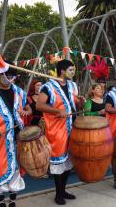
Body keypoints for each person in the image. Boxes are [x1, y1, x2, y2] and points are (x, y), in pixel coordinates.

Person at [37, 59, 85, 205]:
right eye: (70, 70)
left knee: (68, 162)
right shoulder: (48, 87)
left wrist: (81, 102)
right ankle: (58, 194)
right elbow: (39, 105)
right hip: (56, 129)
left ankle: (63, 190)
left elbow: (76, 104)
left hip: (72, 127)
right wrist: (57, 110)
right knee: (58, 163)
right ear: (62, 71)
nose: (73, 72)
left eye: (73, 70)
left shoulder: (72, 86)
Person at [0, 67, 32, 207]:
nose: (10, 78)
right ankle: (2, 203)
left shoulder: (19, 92)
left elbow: (29, 107)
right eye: (7, 75)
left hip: (17, 138)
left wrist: (26, 111)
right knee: (0, 171)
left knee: (16, 171)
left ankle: (12, 202)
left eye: (12, 75)